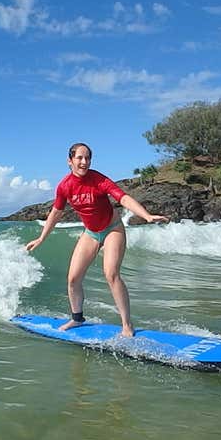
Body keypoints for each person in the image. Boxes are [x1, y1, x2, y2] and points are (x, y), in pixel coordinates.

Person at [26, 143, 168, 337]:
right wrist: (41, 237)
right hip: (91, 233)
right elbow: (56, 212)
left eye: (87, 158)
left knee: (111, 274)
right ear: (70, 161)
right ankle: (77, 319)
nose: (84, 162)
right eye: (79, 158)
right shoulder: (65, 186)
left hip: (113, 229)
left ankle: (127, 325)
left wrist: (146, 215)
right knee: (73, 278)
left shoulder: (98, 179)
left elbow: (123, 198)